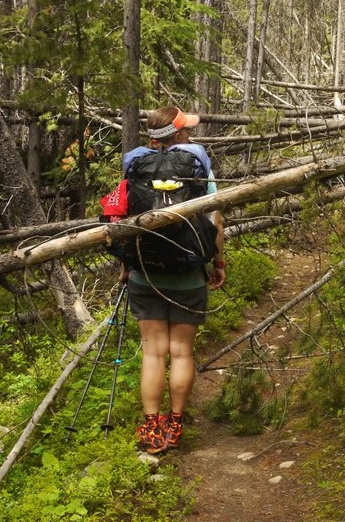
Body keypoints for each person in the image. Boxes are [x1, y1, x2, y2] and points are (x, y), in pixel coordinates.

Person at [119, 106, 226, 454]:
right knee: (181, 352)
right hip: (188, 273)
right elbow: (215, 222)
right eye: (187, 130)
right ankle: (176, 423)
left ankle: (153, 425)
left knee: (153, 353)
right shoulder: (197, 167)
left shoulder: (135, 167)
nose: (190, 135)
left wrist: (126, 266)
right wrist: (218, 262)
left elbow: (123, 220)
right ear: (177, 135)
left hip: (144, 273)